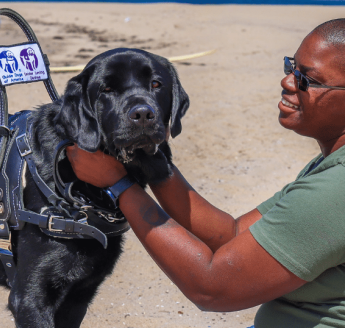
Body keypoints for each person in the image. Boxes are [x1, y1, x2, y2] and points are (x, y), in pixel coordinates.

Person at [66, 19, 345, 327]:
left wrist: (118, 185)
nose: (288, 82)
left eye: (308, 79)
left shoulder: (337, 188)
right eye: (292, 67)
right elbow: (232, 235)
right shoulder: (331, 164)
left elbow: (213, 288)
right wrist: (155, 165)